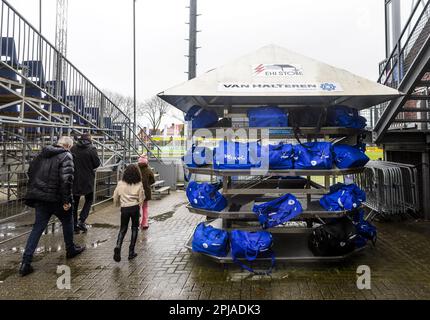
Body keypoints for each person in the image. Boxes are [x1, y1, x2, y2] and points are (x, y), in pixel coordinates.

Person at [20, 137, 85, 277]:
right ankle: (70, 249)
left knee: (37, 228)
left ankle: (26, 262)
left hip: (41, 198)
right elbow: (66, 180)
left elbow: (31, 172)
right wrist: (67, 200)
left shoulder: (41, 154)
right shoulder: (66, 155)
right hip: (57, 198)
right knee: (68, 222)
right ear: (68, 146)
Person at [113, 164, 145, 262]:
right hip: (134, 207)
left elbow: (115, 197)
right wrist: (140, 207)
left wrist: (118, 204)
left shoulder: (120, 183)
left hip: (124, 208)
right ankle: (131, 252)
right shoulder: (139, 184)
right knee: (135, 229)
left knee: (123, 229)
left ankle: (118, 245)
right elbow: (141, 198)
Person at [71, 133, 101, 233]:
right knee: (89, 199)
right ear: (89, 139)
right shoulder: (92, 149)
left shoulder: (73, 148)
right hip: (87, 179)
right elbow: (96, 163)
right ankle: (82, 220)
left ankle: (74, 225)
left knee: (74, 202)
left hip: (75, 178)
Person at [137, 155, 155, 230]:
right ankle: (144, 223)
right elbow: (153, 180)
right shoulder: (148, 169)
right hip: (146, 192)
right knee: (145, 208)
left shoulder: (136, 169)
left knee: (137, 208)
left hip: (137, 192)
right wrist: (147, 184)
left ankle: (136, 223)